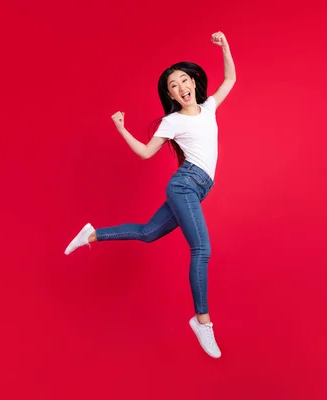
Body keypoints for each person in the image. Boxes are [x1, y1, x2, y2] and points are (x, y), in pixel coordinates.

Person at [64, 31, 236, 359]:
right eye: (173, 85)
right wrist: (121, 128)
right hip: (185, 185)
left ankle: (93, 234)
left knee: (147, 233)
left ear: (194, 82)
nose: (181, 87)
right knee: (202, 248)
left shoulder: (208, 107)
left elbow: (230, 78)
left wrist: (225, 46)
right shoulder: (171, 122)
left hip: (196, 189)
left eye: (184, 80)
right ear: (170, 94)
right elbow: (145, 152)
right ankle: (202, 321)